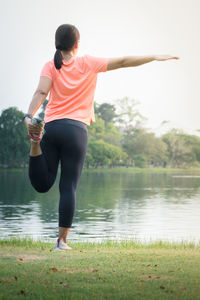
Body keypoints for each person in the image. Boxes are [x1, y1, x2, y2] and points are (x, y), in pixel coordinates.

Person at [23, 23, 179, 251]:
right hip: (76, 131)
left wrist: (29, 115)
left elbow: (41, 92)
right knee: (68, 187)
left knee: (43, 184)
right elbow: (124, 61)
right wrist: (153, 56)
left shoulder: (50, 65)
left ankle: (34, 144)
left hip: (53, 127)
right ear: (77, 44)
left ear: (56, 44)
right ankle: (61, 242)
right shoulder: (88, 62)